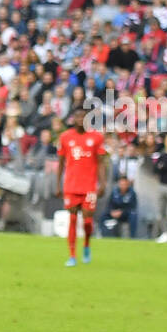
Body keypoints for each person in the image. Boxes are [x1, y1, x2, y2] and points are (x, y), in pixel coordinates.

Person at [56, 110, 107, 266]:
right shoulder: (65, 137)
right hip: (71, 185)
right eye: (77, 117)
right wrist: (58, 184)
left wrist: (103, 183)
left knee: (87, 221)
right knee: (72, 219)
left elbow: (101, 163)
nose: (80, 120)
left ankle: (86, 245)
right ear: (73, 119)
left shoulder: (96, 137)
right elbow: (60, 163)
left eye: (83, 117)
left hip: (89, 186)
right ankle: (72, 255)